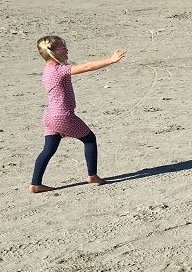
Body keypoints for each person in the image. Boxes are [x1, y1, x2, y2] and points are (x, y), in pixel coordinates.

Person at [30, 36, 126, 193]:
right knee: (89, 139)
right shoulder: (59, 71)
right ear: (53, 52)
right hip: (63, 116)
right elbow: (87, 66)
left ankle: (35, 184)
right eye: (63, 48)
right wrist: (111, 60)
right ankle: (92, 175)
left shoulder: (48, 70)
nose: (67, 50)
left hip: (49, 116)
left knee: (48, 150)